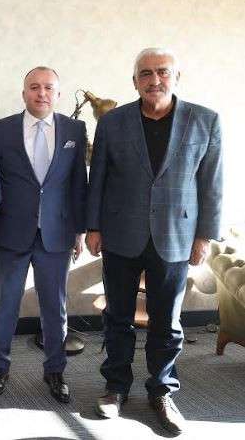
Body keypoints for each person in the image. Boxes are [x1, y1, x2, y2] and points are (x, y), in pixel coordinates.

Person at [86, 48, 223, 435]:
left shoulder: (205, 120)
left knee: (167, 322)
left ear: (176, 77)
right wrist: (93, 227)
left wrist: (204, 236)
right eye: (145, 73)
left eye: (162, 72)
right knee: (117, 318)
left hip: (177, 236)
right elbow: (98, 178)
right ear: (134, 82)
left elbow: (211, 185)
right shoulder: (112, 122)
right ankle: (115, 387)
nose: (154, 79)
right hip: (120, 234)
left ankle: (162, 391)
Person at [0, 67, 87, 403]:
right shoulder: (0, 130)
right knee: (5, 306)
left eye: (48, 88)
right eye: (34, 87)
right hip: (10, 233)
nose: (41, 93)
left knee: (55, 307)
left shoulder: (74, 129)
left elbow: (78, 183)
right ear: (24, 92)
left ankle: (55, 371)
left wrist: (80, 230)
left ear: (58, 94)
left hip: (57, 234)